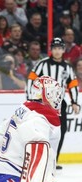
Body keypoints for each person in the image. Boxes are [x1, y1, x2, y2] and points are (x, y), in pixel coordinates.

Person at [27, 37, 80, 170]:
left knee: (61, 131)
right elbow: (31, 79)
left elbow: (73, 84)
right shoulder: (42, 64)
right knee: (42, 130)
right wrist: (30, 98)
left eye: (59, 48)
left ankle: (53, 160)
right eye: (55, 48)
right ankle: (41, 158)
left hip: (60, 104)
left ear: (63, 50)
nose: (57, 51)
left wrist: (74, 102)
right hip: (43, 103)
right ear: (51, 49)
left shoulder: (67, 67)